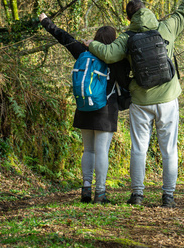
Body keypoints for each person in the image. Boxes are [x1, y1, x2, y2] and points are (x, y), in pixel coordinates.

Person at [86, 0, 184, 208]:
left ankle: (137, 195)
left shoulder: (127, 38)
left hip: (140, 99)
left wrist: (91, 44)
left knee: (139, 148)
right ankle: (168, 196)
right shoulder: (167, 26)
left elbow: (107, 54)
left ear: (128, 18)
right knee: (169, 149)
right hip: (168, 98)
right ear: (148, 11)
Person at [39, 12, 124, 204]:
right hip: (106, 109)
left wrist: (46, 22)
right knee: (102, 151)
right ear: (113, 41)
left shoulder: (82, 52)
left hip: (84, 106)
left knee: (88, 150)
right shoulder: (115, 58)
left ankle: (86, 188)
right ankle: (100, 193)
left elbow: (64, 38)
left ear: (95, 39)